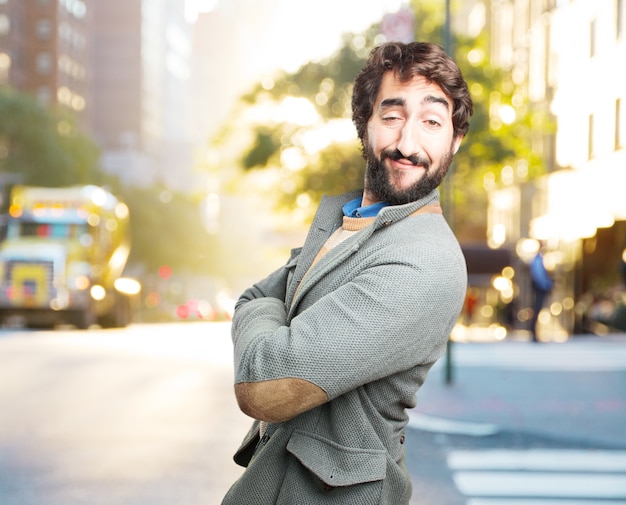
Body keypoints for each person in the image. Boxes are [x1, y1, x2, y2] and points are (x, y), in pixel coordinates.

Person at [222, 41, 473, 505]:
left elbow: (262, 385)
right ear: (364, 124)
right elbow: (250, 295)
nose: (407, 143)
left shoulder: (425, 261)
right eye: (392, 115)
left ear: (454, 141)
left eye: (432, 122)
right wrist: (261, 309)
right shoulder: (347, 222)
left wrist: (265, 315)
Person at [529, 246, 554, 342]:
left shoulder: (538, 260)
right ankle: (533, 332)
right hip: (540, 288)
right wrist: (547, 285)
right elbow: (539, 275)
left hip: (540, 287)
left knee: (537, 310)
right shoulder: (538, 260)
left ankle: (534, 332)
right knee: (536, 310)